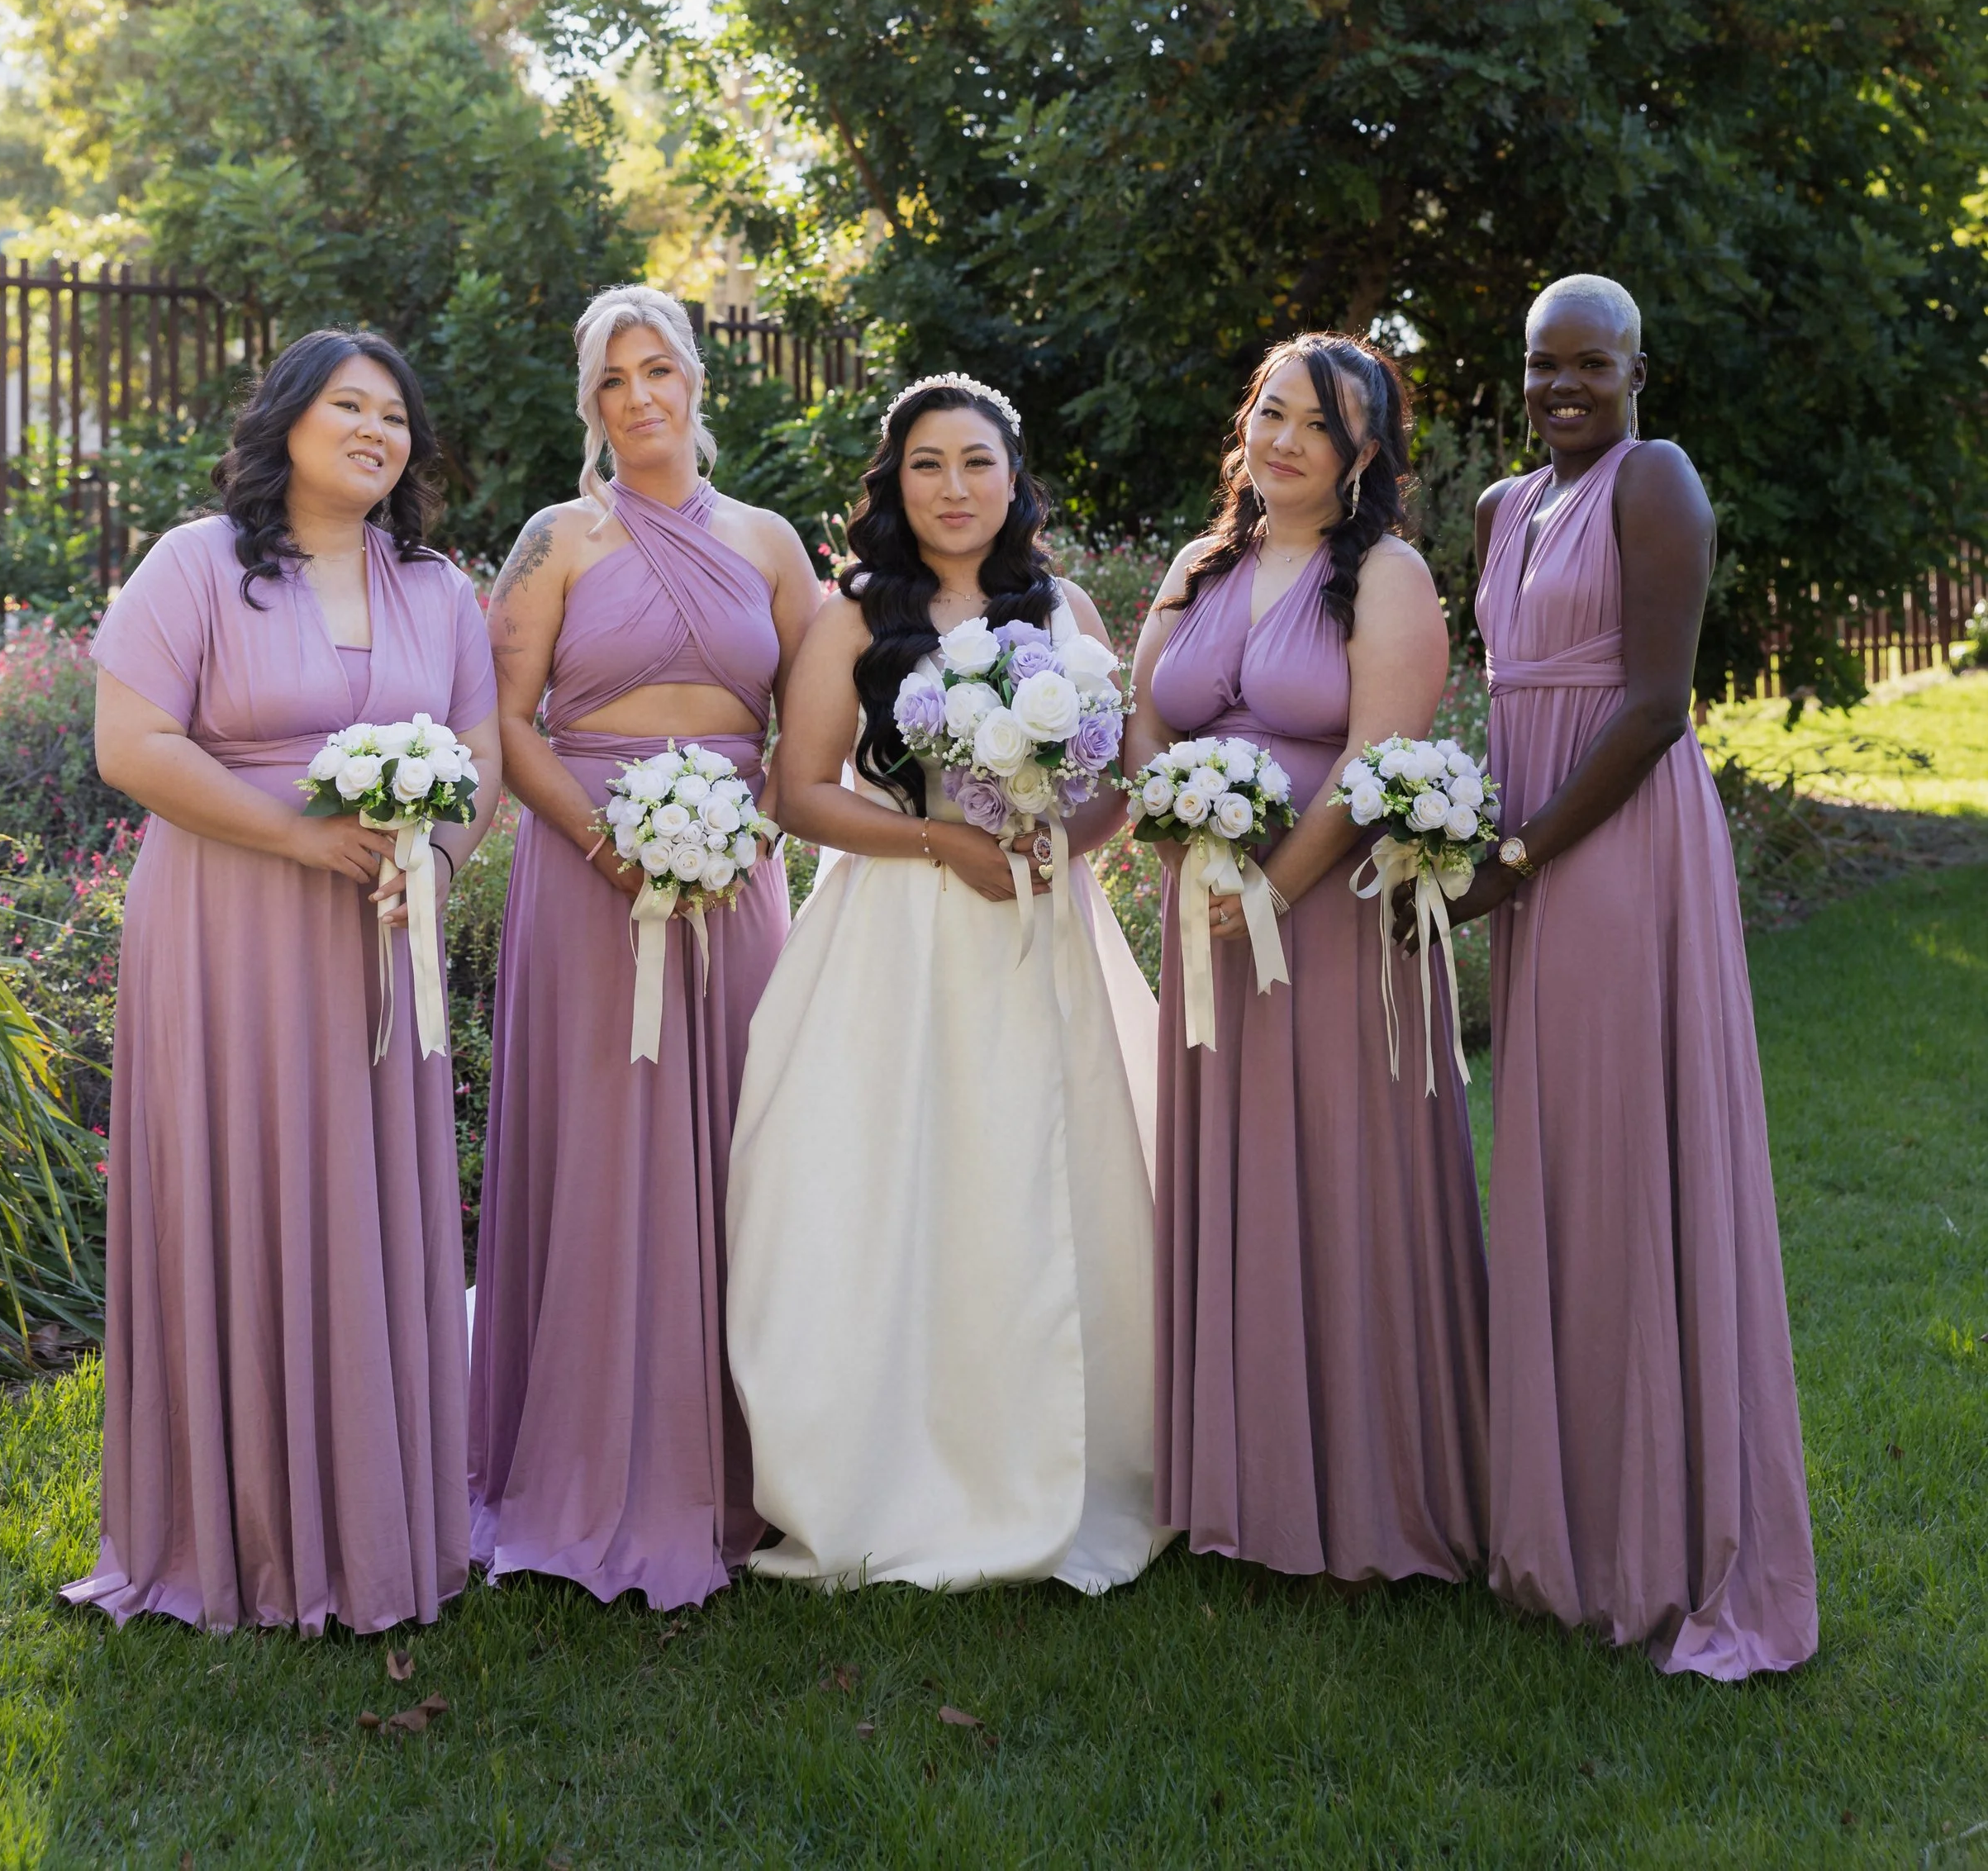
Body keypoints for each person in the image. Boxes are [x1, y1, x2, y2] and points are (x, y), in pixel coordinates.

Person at [67, 330, 502, 1636]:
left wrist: (431, 859)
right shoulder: (195, 563)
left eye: (394, 413)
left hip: (379, 935)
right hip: (228, 926)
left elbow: (476, 753)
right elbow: (129, 744)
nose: (376, 428)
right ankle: (239, 1531)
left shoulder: (438, 587)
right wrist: (304, 838)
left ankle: (378, 1523)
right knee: (242, 1186)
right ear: (289, 422)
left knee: (368, 1199)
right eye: (348, 405)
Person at [725, 374, 1164, 1593]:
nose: (954, 487)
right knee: (887, 1184)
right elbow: (801, 788)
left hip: (1040, 927)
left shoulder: (1066, 605)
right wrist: (937, 841)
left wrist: (1061, 844)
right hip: (898, 931)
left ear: (1014, 478)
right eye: (927, 463)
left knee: (1045, 1183)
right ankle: (891, 1465)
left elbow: (1126, 776)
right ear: (894, 480)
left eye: (977, 462)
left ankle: (1069, 1457)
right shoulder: (856, 614)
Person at [1452, 273, 1818, 1674]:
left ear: (1637, 371)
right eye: (1544, 364)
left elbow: (1657, 706)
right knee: (1552, 1160)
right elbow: (1508, 696)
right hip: (1533, 848)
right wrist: (1463, 829)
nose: (1562, 387)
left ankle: (1662, 1540)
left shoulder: (1655, 482)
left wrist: (1524, 854)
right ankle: (1565, 1518)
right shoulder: (1501, 505)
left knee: (1624, 1163)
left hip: (1614, 853)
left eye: (1589, 365)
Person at [467, 287, 821, 1611]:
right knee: (602, 1147)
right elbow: (506, 720)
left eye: (657, 367)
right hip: (583, 874)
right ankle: (569, 1456)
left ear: (695, 380)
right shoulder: (557, 537)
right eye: (611, 379)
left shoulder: (772, 541)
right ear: (590, 403)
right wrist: (618, 849)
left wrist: (745, 832)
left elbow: (815, 721)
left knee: (738, 1151)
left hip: (734, 882)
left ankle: (734, 1462)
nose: (638, 396)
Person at [1129, 334, 1488, 1583]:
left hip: (1327, 927)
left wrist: (1275, 887)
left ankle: (1363, 1483)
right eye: (1272, 414)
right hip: (1209, 924)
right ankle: (1234, 1474)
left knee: (1337, 1171)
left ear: (1363, 454)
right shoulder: (1198, 560)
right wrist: (1174, 831)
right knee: (1231, 1170)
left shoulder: (1383, 574)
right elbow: (1145, 713)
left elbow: (1375, 757)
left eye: (1317, 428)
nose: (1283, 440)